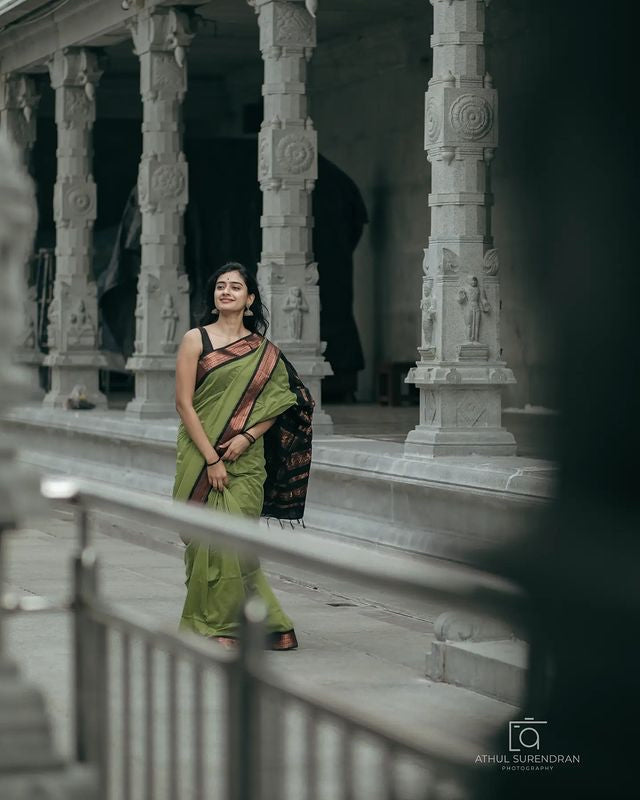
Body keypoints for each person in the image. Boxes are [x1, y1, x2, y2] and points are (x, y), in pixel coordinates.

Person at [173, 262, 313, 650]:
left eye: (236, 287)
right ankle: (263, 624)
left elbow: (284, 401)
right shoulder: (194, 340)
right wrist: (212, 459)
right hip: (200, 455)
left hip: (246, 462)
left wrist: (248, 436)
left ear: (250, 300)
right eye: (220, 286)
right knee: (206, 540)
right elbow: (184, 404)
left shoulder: (265, 354)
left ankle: (224, 627)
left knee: (235, 542)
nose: (227, 292)